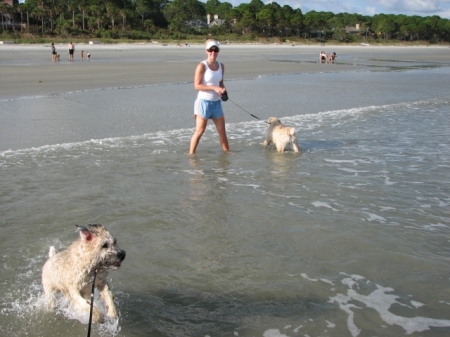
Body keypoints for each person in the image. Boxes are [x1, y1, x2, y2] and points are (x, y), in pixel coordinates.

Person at [189, 39, 230, 154]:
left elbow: (220, 82)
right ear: (206, 51)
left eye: (215, 50)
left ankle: (227, 153)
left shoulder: (221, 66)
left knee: (222, 131)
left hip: (216, 103)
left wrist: (222, 89)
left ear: (218, 51)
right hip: (203, 102)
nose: (213, 52)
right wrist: (214, 88)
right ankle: (191, 154)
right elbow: (197, 86)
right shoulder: (202, 66)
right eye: (210, 50)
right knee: (200, 131)